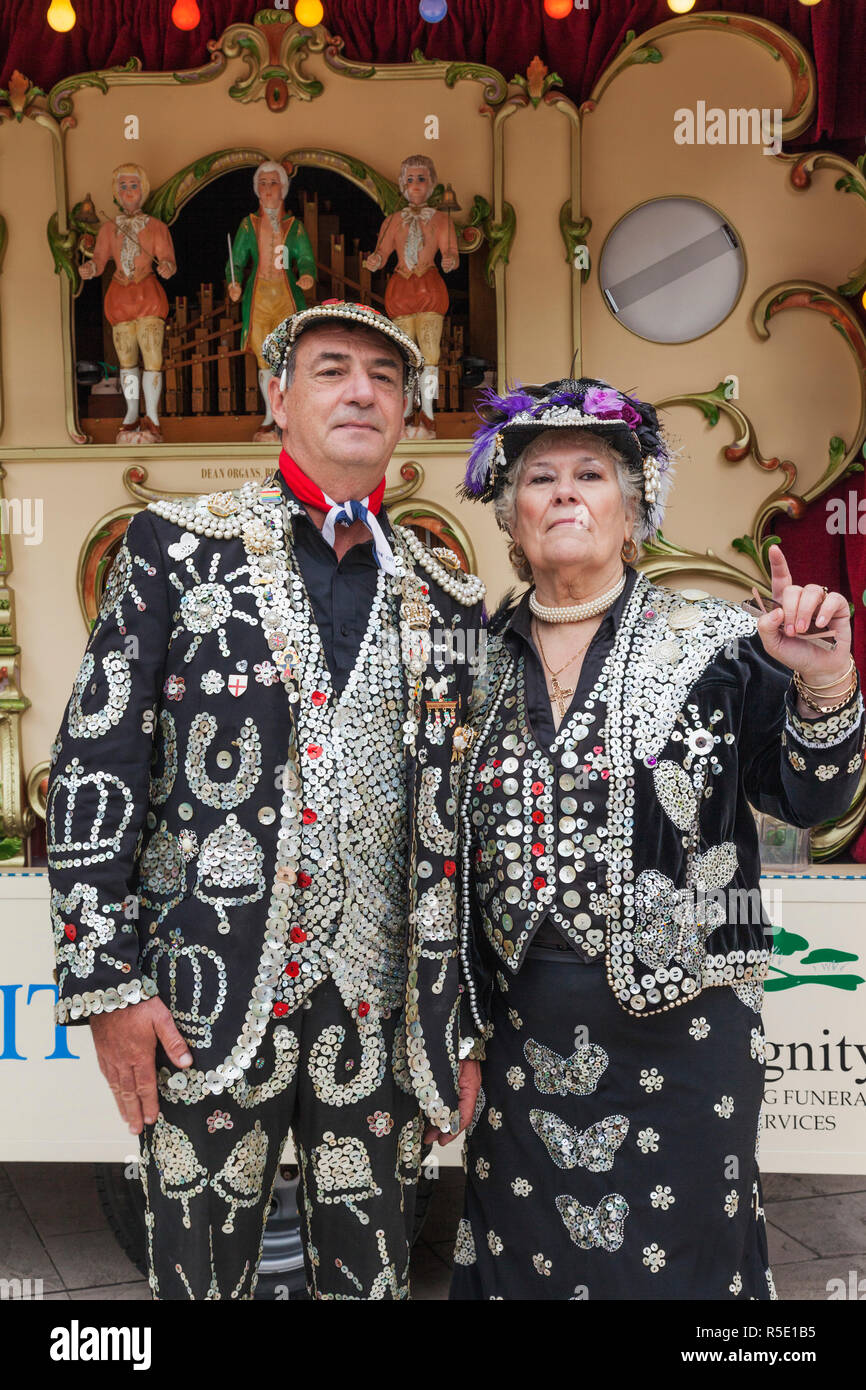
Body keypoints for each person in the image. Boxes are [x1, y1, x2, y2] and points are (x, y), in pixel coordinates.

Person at [45, 299, 485, 1300]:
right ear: (276, 397)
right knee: (197, 1284)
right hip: (204, 995)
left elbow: (460, 820)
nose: (361, 390)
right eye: (332, 369)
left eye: (384, 375)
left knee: (370, 1284)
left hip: (381, 1014)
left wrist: (456, 1024)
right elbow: (95, 762)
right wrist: (106, 981)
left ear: (408, 414)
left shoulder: (450, 597)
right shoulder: (170, 546)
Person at [449, 376, 866, 1300]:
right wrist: (451, 1031)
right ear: (511, 521)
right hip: (517, 1033)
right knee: (528, 1267)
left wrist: (827, 682)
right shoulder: (470, 661)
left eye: (591, 474)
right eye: (539, 477)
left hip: (687, 1032)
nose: (564, 492)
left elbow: (810, 798)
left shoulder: (717, 643)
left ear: (632, 513)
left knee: (682, 1275)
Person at [80, 163, 176, 444]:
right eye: (123, 186)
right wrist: (90, 269)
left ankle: (154, 418)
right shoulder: (109, 228)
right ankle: (132, 414)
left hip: (148, 296)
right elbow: (99, 261)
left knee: (153, 359)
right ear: (116, 193)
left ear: (142, 190)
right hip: (120, 298)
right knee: (127, 363)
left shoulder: (156, 227)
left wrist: (168, 267)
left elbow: (168, 259)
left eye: (133, 185)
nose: (128, 191)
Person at [364, 154, 458, 439]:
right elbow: (382, 252)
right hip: (402, 290)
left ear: (431, 184)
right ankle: (404, 413)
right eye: (410, 179)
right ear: (402, 185)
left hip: (429, 287)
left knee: (430, 355)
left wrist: (450, 260)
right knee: (403, 357)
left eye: (421, 179)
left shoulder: (442, 220)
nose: (415, 184)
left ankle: (428, 414)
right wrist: (374, 261)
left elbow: (450, 251)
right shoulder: (393, 221)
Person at [226, 160, 316, 441]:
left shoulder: (295, 226)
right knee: (265, 358)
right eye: (262, 184)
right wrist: (234, 281)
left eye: (273, 183)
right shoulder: (248, 223)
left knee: (288, 356)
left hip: (286, 295)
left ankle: (290, 415)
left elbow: (304, 257)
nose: (267, 189)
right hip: (260, 296)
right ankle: (270, 415)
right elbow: (236, 260)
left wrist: (307, 275)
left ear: (283, 189)